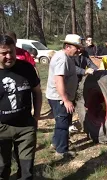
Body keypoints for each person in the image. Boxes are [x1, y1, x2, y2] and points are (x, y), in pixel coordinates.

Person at [0, 35, 42, 179]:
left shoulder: (26, 68)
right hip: (1, 127)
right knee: (2, 167)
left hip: (25, 127)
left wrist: (36, 117)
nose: (9, 56)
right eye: (3, 53)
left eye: (11, 52)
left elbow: (37, 92)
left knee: (27, 170)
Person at [46, 34, 81, 158]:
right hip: (59, 98)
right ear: (67, 46)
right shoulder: (62, 59)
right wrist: (65, 100)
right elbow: (58, 80)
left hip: (57, 96)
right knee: (63, 124)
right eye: (76, 47)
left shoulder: (65, 56)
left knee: (60, 121)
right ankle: (62, 152)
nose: (78, 50)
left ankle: (56, 143)